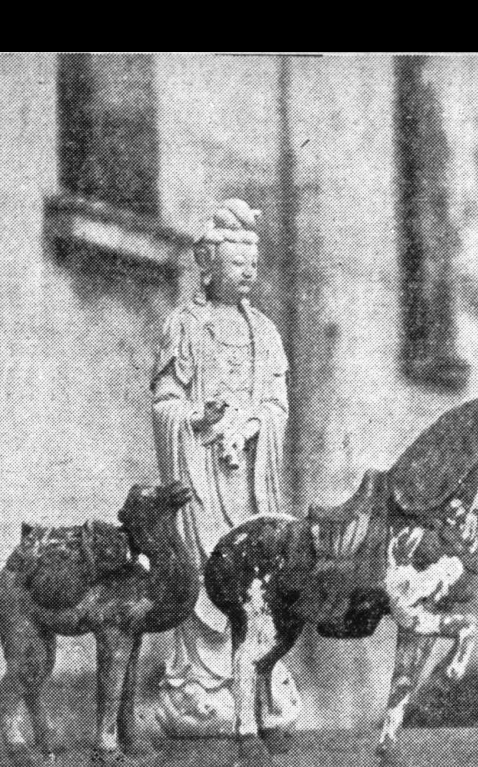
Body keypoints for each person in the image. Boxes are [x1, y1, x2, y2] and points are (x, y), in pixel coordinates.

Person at [151, 199, 302, 738]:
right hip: (204, 479)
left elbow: (280, 406)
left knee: (260, 573)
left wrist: (258, 424)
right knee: (205, 569)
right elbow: (165, 400)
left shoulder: (265, 331)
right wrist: (196, 418)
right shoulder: (184, 326)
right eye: (238, 265)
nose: (248, 274)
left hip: (251, 479)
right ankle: (203, 685)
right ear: (208, 266)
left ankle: (262, 680)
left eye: (253, 265)